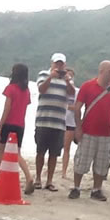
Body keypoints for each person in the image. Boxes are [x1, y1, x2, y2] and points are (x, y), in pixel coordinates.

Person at [68, 61, 110, 201]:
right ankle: (76, 187)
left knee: (102, 163)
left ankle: (96, 189)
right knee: (82, 161)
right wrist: (78, 128)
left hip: (105, 134)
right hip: (88, 131)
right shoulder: (87, 86)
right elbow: (77, 108)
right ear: (102, 71)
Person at [34, 52, 75, 191]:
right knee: (40, 152)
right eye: (56, 63)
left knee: (54, 154)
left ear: (64, 65)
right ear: (52, 63)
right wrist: (50, 77)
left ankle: (49, 181)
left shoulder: (68, 79)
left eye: (61, 63)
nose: (59, 66)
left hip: (59, 123)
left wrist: (68, 80)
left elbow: (71, 93)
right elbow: (41, 89)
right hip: (43, 121)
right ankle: (38, 178)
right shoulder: (43, 74)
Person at [0, 63, 34, 194]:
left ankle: (0, 176)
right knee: (17, 153)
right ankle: (28, 176)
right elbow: (24, 107)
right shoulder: (27, 91)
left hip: (9, 123)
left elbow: (7, 108)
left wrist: (1, 125)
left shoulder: (11, 88)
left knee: (1, 150)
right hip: (20, 125)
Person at [62, 68, 78, 178]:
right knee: (55, 147)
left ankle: (63, 171)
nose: (69, 78)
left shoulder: (76, 91)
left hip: (70, 123)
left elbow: (77, 107)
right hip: (59, 120)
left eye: (71, 76)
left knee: (66, 148)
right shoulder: (61, 89)